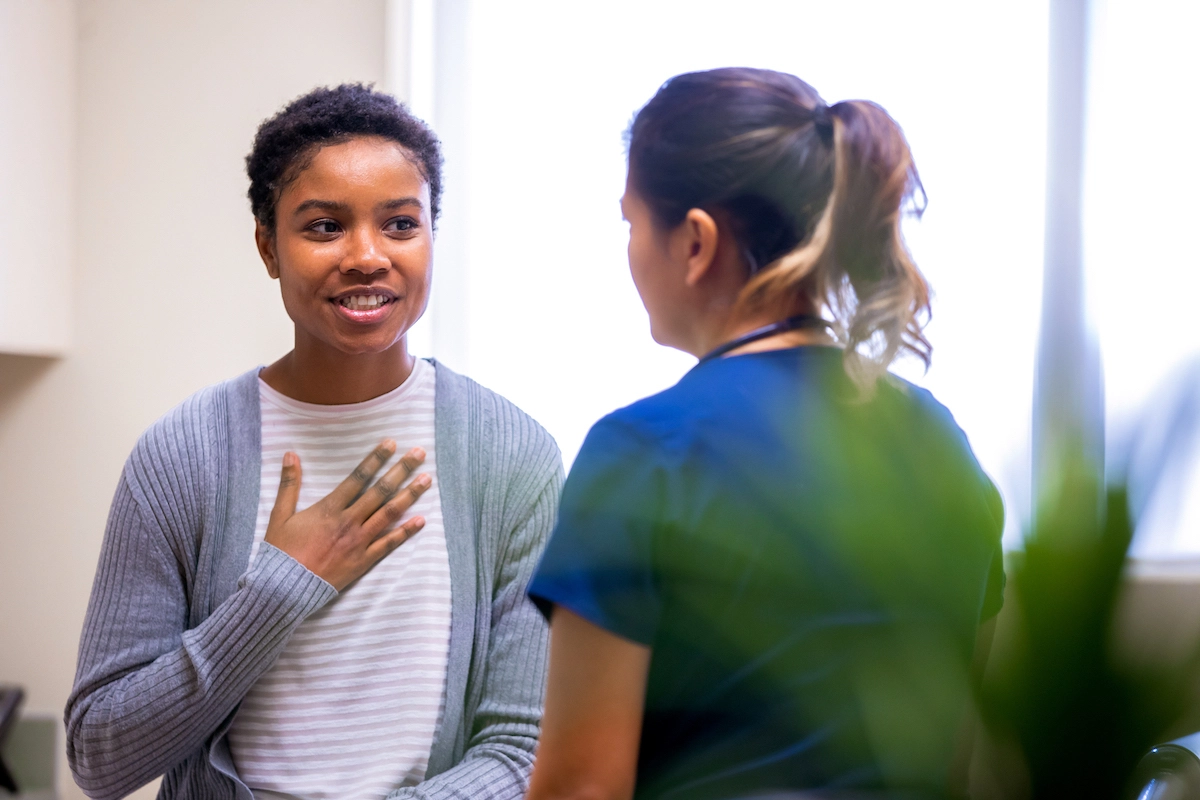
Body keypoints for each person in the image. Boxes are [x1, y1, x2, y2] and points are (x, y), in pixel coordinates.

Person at [66, 84, 562, 800]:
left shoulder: (512, 456)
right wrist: (277, 588)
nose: (367, 256)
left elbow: (525, 753)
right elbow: (99, 757)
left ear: (430, 237)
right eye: (325, 227)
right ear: (269, 247)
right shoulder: (181, 458)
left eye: (399, 224)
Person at [525, 68, 1005, 800]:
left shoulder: (644, 453)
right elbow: (954, 758)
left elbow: (580, 789)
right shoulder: (942, 445)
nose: (628, 251)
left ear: (694, 241)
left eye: (630, 224)